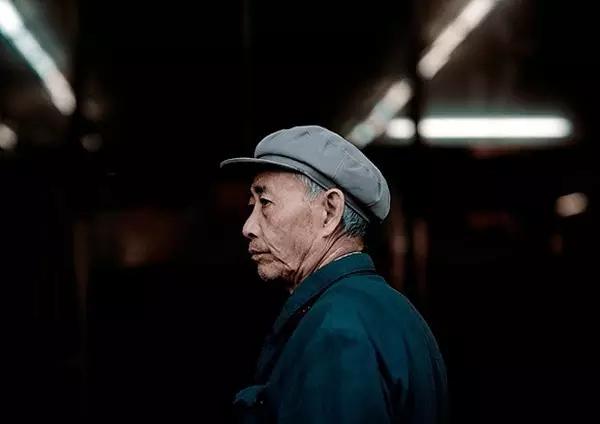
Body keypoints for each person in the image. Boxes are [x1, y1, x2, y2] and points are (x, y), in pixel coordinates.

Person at [220, 125, 448, 423]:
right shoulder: (388, 308)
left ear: (329, 211)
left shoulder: (337, 330)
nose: (248, 227)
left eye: (265, 203)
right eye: (252, 205)